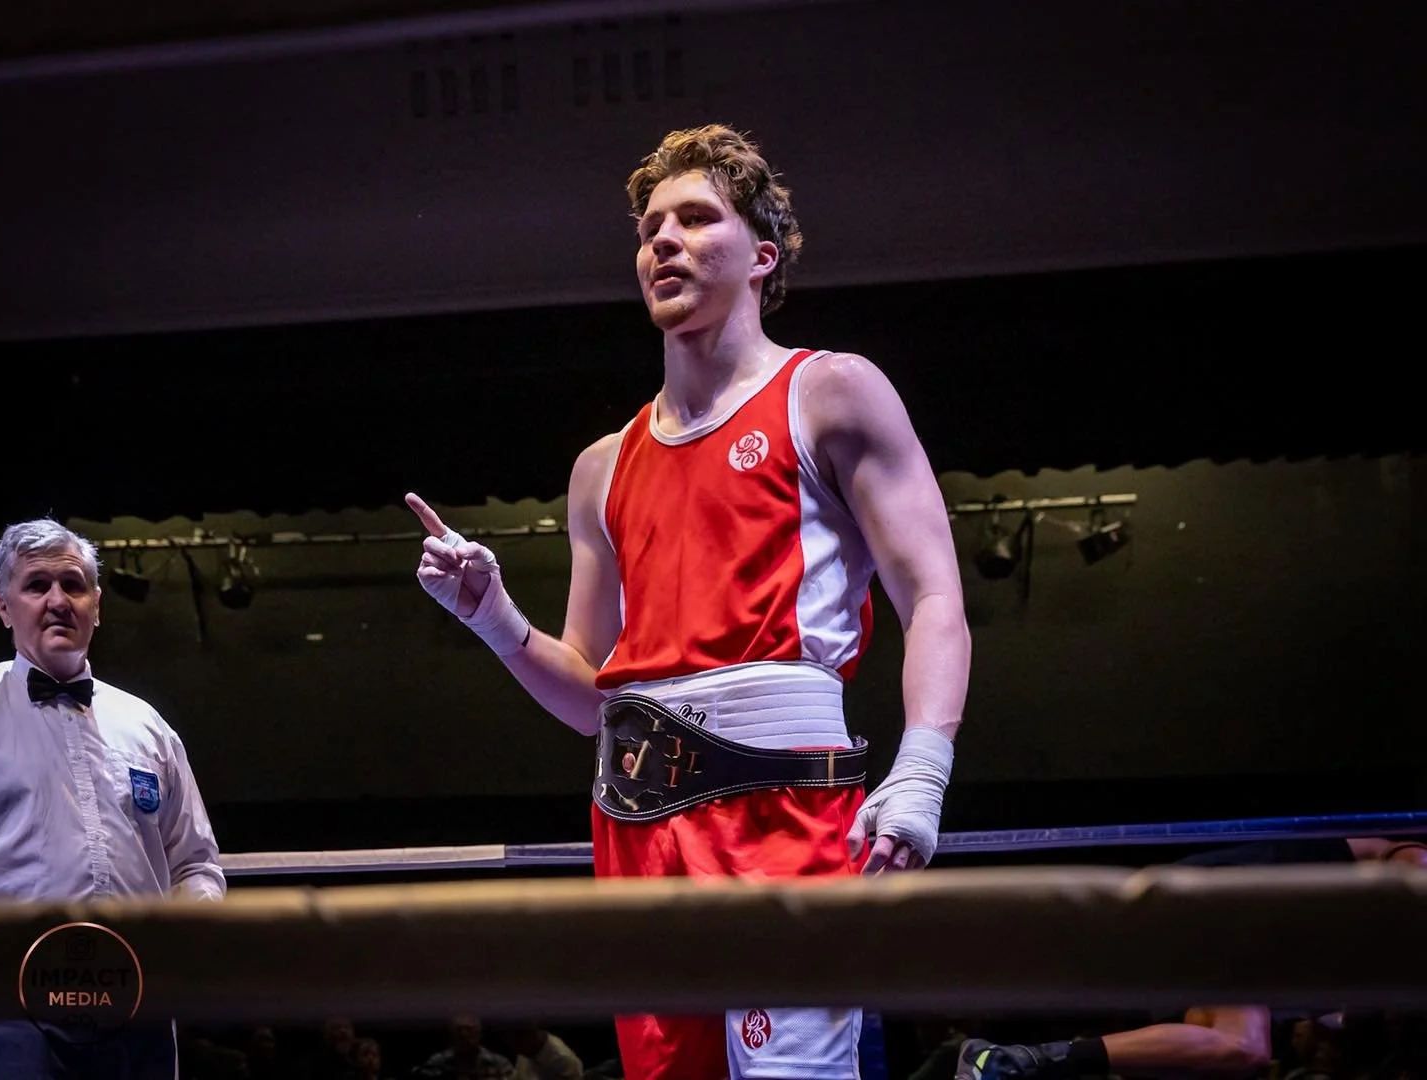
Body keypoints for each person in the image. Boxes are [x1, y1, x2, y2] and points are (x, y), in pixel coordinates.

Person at [408, 122, 970, 1080]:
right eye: (649, 227)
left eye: (695, 218)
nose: (661, 240)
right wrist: (494, 619)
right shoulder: (601, 468)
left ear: (762, 255)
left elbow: (935, 599)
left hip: (781, 813)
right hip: (635, 830)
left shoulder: (830, 394)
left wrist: (922, 767)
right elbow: (594, 695)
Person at [0, 517, 225, 1078]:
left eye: (72, 585)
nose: (56, 600)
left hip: (139, 1001)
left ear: (97, 602)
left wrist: (183, 939)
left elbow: (195, 864)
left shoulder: (146, 726)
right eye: (36, 585)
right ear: (3, 607)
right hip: (7, 1003)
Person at [953, 835, 1427, 1080]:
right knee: (1243, 1045)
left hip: (1228, 930)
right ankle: (1018, 1062)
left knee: (1215, 1050)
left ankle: (1007, 1061)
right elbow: (1406, 877)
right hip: (1222, 905)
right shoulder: (1407, 869)